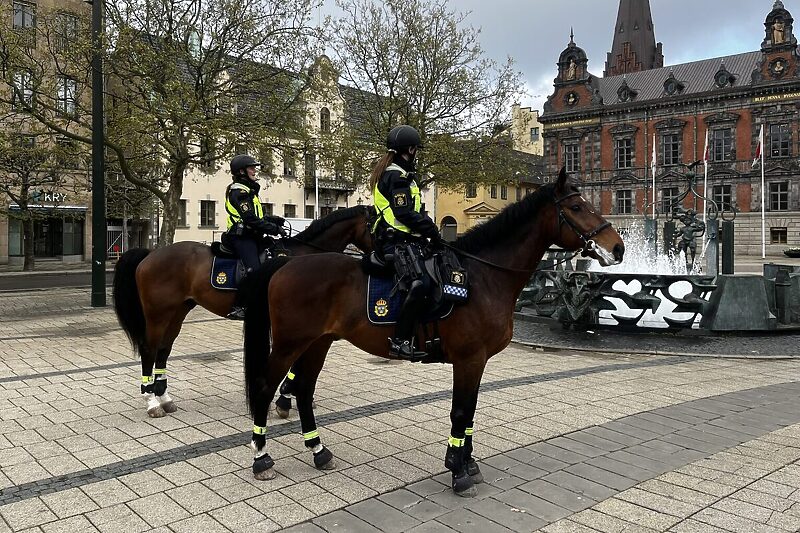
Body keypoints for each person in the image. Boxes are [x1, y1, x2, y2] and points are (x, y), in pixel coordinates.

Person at [370, 125, 441, 361]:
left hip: (406, 238)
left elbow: (416, 210)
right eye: (416, 149)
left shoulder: (404, 175)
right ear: (410, 149)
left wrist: (429, 227)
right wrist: (430, 229)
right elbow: (403, 214)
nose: (417, 153)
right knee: (418, 284)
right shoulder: (396, 176)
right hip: (394, 240)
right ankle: (399, 341)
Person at [224, 154, 286, 320]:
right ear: (242, 172)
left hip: (253, 235)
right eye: (251, 168)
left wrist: (274, 220)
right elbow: (249, 219)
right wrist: (273, 228)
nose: (254, 170)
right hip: (241, 237)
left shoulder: (249, 191)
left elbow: (257, 217)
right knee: (255, 270)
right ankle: (240, 306)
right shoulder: (238, 192)